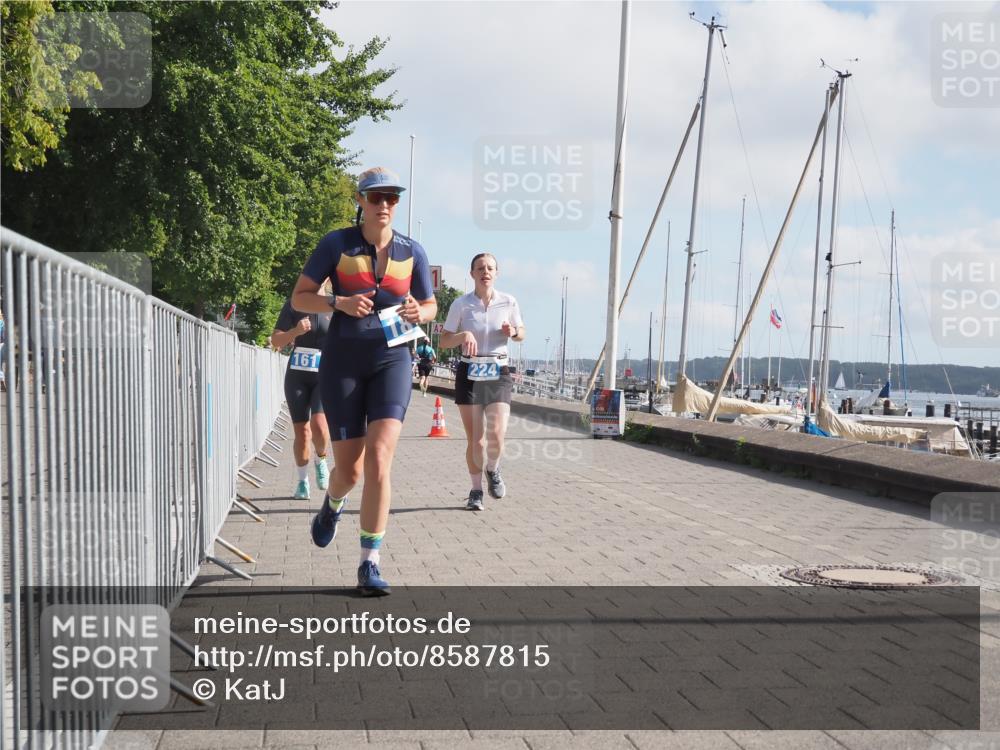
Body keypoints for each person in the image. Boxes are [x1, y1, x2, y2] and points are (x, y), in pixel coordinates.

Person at [290, 166, 436, 596]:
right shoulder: (336, 243)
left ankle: (369, 562)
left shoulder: (414, 251)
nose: (385, 205)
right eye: (377, 198)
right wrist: (337, 301)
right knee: (349, 471)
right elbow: (300, 296)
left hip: (392, 361)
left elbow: (429, 305)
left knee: (379, 458)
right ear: (361, 201)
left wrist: (419, 313)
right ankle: (331, 507)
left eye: (392, 197)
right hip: (344, 364)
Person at [439, 253, 526, 511]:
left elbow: (522, 333)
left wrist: (514, 332)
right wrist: (463, 334)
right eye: (480, 268)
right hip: (470, 372)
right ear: (472, 274)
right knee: (476, 440)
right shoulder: (461, 305)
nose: (485, 272)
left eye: (490, 268)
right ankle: (476, 490)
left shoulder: (509, 302)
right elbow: (444, 340)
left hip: (498, 370)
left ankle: (493, 469)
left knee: (497, 436)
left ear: (496, 273)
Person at [271, 291, 332, 500]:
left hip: (324, 375)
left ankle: (321, 459)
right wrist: (295, 331)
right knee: (302, 433)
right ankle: (302, 481)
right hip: (297, 375)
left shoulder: (335, 304)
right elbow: (276, 340)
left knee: (320, 425)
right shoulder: (294, 304)